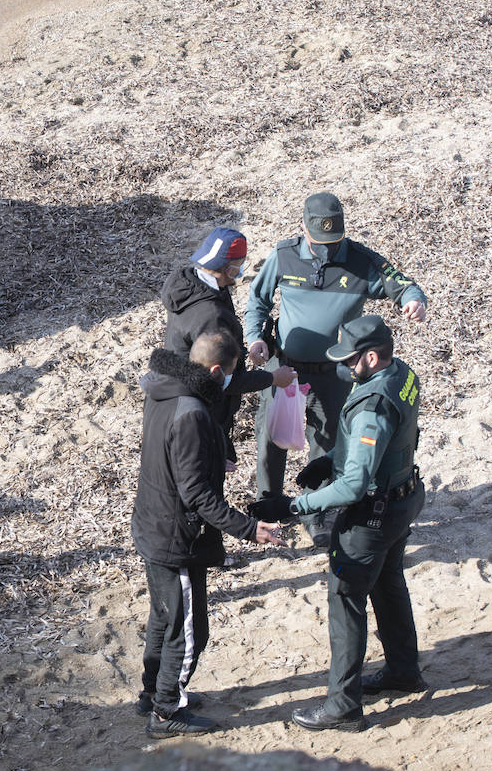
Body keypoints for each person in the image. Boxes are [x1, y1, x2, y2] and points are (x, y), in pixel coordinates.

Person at [251, 315, 425, 731]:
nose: (342, 367)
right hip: (404, 496)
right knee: (388, 584)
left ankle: (342, 707)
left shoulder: (372, 406)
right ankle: (403, 670)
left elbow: (353, 486)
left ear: (370, 357)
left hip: (373, 515)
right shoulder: (402, 373)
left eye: (348, 359)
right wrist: (331, 459)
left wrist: (297, 505)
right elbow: (392, 440)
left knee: (345, 602)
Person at [243, 192, 427, 546]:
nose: (327, 249)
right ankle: (269, 508)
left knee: (326, 441)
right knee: (270, 437)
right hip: (285, 369)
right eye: (319, 242)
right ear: (304, 229)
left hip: (334, 372)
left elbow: (399, 284)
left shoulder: (361, 261)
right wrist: (256, 339)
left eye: (334, 241)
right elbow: (258, 302)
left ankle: (317, 516)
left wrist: (413, 300)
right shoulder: (283, 257)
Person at [131, 331, 283, 737]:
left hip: (152, 525)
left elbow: (177, 457)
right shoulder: (194, 412)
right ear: (216, 371)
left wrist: (216, 453)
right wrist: (251, 530)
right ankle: (166, 711)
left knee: (163, 619)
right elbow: (196, 494)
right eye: (231, 375)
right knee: (189, 629)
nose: (231, 382)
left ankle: (152, 692)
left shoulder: (165, 392)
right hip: (176, 537)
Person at [161, 227, 297, 464]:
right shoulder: (211, 316)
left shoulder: (189, 285)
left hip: (176, 398)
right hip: (202, 410)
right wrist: (273, 378)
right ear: (226, 268)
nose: (240, 271)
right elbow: (223, 379)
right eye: (239, 265)